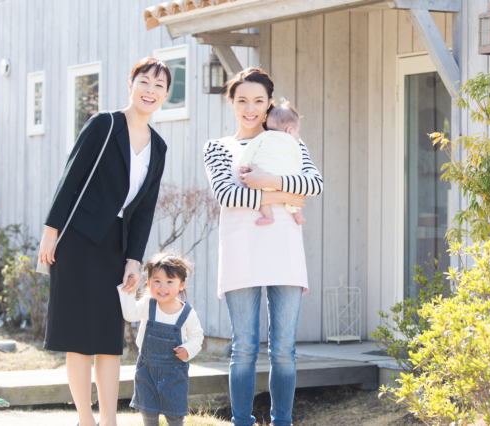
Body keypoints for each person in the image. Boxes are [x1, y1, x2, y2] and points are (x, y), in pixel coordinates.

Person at [37, 57, 170, 426]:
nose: (150, 90)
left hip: (116, 244)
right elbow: (72, 175)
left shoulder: (158, 147)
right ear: (131, 84)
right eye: (145, 81)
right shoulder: (105, 124)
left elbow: (143, 210)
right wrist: (51, 233)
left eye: (159, 86)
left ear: (166, 95)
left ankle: (108, 420)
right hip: (78, 240)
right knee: (79, 335)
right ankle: (86, 418)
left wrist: (133, 259)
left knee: (109, 337)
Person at [203, 67, 324, 426]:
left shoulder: (291, 140)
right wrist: (287, 193)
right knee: (244, 348)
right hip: (241, 252)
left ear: (270, 103)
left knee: (284, 349)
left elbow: (314, 185)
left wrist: (267, 182)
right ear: (232, 103)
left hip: (284, 252)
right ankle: (242, 421)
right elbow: (226, 194)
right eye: (242, 100)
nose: (250, 108)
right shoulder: (219, 147)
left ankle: (281, 421)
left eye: (258, 101)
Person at [117, 253, 204, 426]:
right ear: (148, 283)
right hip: (147, 368)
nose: (162, 287)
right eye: (157, 281)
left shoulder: (186, 313)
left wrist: (188, 348)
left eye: (170, 281)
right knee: (148, 411)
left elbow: (197, 336)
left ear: (182, 285)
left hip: (174, 372)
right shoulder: (148, 304)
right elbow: (130, 314)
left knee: (175, 414)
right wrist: (128, 291)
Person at [238, 99, 306, 226]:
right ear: (290, 130)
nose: (298, 136)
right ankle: (298, 215)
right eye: (298, 131)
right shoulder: (295, 144)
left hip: (263, 173)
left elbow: (249, 149)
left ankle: (268, 216)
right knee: (296, 192)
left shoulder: (265, 136)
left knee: (261, 195)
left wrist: (244, 165)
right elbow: (299, 162)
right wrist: (299, 175)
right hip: (287, 178)